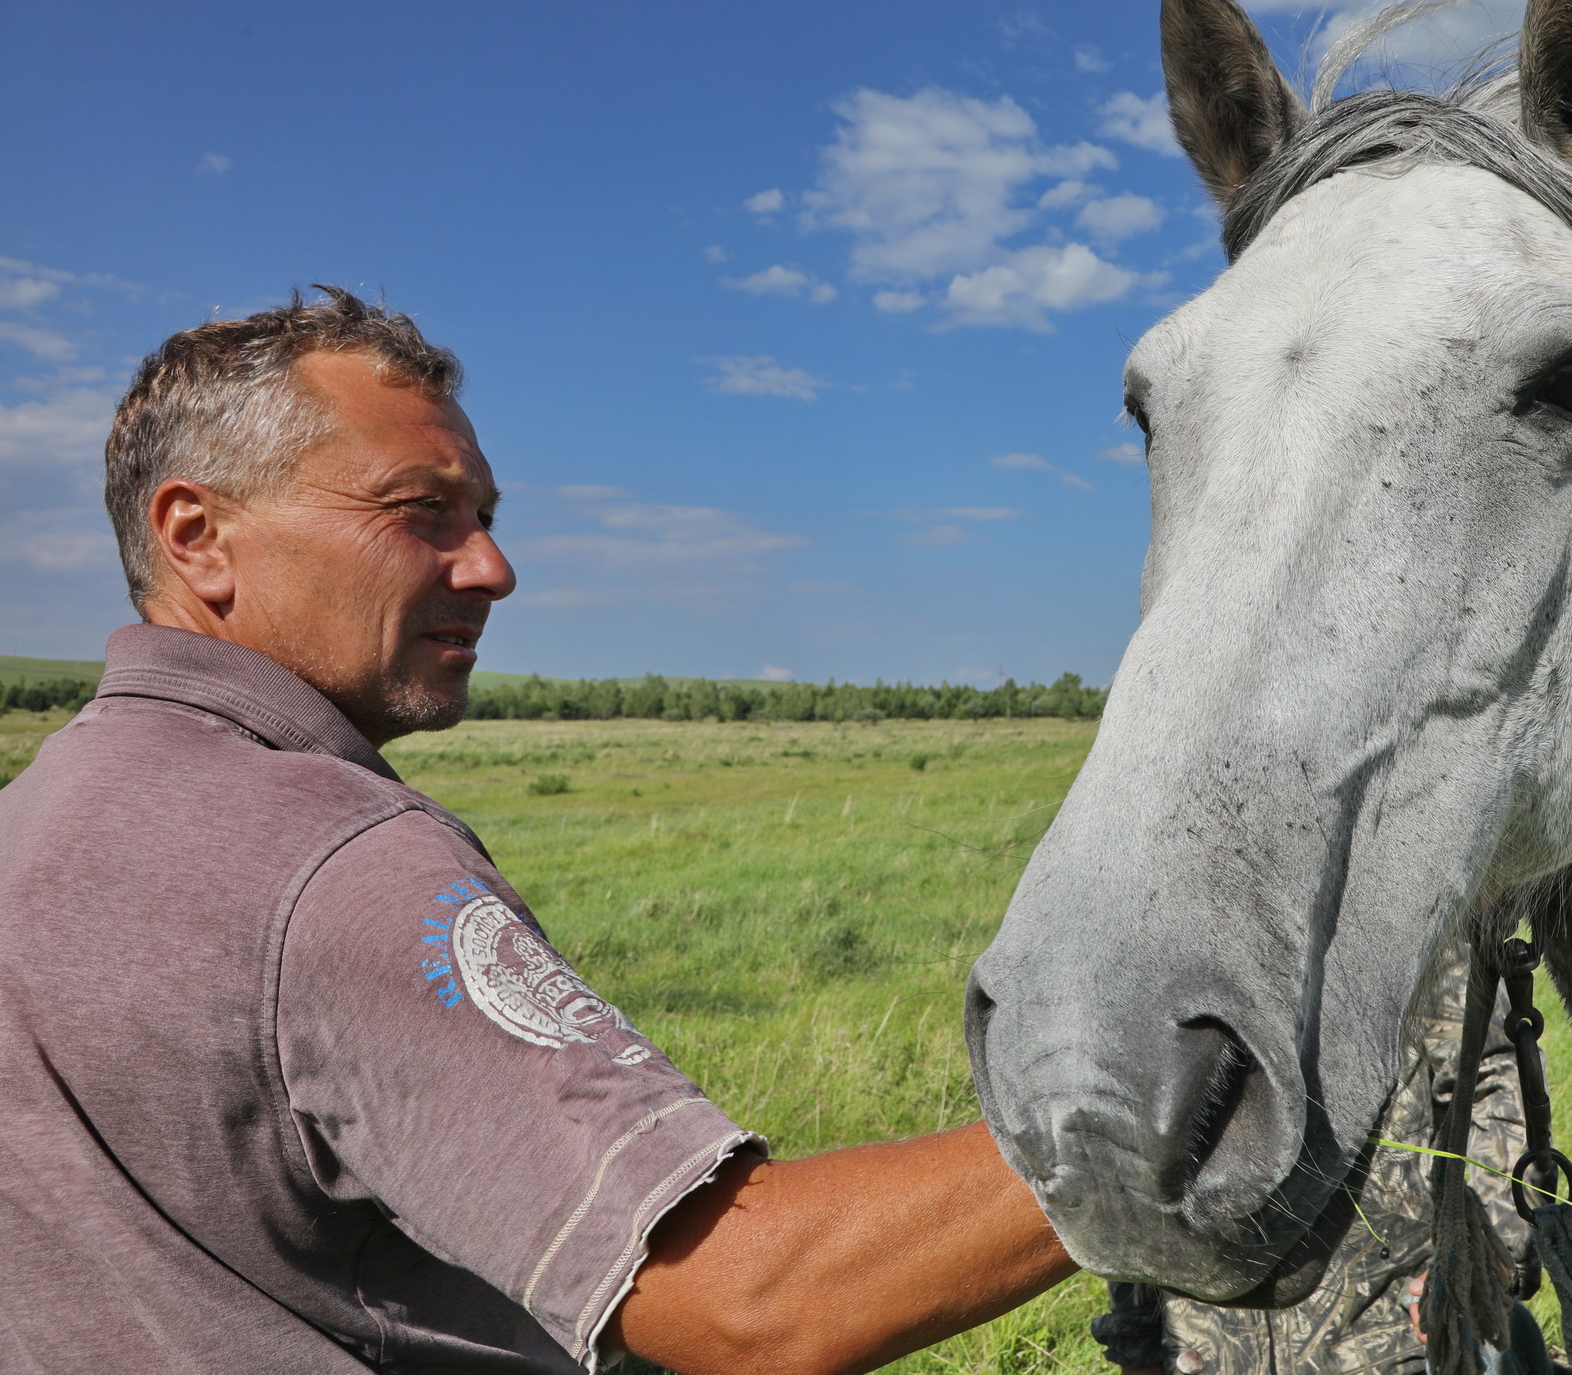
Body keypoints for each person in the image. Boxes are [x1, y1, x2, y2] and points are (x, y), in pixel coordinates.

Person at [0, 288, 1073, 1374]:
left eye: (486, 518)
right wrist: (1166, 1124)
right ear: (199, 537)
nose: (491, 570)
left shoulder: (31, 815)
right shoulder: (340, 863)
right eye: (419, 510)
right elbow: (746, 1298)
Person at [1094, 951, 1551, 1375]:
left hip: (1395, 1339)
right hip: (1206, 1353)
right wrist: (1138, 1339)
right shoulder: (1153, 941)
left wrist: (1481, 1267)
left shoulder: (1394, 914)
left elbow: (1490, 1078)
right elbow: (1123, 1145)